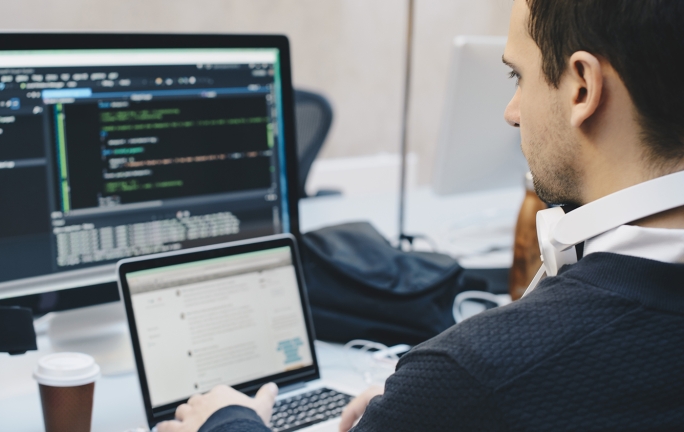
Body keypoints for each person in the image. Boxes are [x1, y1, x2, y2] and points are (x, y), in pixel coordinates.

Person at [159, 0, 684, 430]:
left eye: (517, 77)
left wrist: (227, 422)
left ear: (583, 88)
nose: (512, 111)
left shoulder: (471, 374)